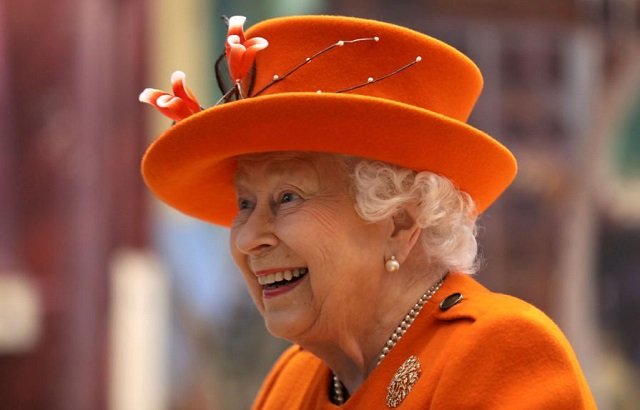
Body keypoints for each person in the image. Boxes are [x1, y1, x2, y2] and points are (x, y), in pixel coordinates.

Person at [139, 15, 596, 409]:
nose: (246, 238)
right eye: (245, 203)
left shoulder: (499, 353)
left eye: (288, 198)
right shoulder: (293, 381)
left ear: (399, 220)